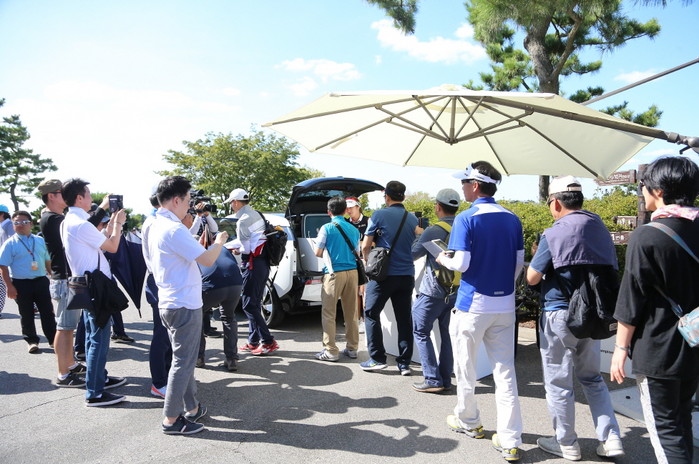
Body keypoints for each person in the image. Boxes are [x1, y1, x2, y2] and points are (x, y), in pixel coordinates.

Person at [526, 176, 624, 461]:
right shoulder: (599, 228)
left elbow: (532, 278)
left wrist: (537, 255)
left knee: (558, 383)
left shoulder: (553, 234)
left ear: (556, 203)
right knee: (592, 378)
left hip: (559, 314)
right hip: (592, 315)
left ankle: (566, 443)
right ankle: (611, 438)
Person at [611, 156, 699, 464]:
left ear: (659, 191)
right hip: (694, 344)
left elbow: (632, 297)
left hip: (659, 349)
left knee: (665, 432)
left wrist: (620, 348)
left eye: (645, 186)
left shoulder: (648, 235)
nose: (643, 192)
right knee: (682, 419)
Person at [436, 161, 524, 462]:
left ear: (475, 185)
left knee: (465, 367)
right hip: (505, 304)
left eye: (464, 183)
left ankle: (469, 421)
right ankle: (511, 439)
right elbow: (518, 264)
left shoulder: (466, 218)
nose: (462, 188)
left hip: (473, 304)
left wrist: (443, 259)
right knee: (505, 372)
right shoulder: (512, 218)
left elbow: (461, 263)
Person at [143, 175, 228, 435]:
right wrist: (220, 242)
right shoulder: (173, 228)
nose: (190, 205)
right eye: (188, 200)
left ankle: (192, 408)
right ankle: (171, 419)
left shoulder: (154, 224)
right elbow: (207, 259)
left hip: (169, 300)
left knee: (185, 359)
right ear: (176, 200)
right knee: (182, 362)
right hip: (183, 303)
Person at [61, 178, 128, 407]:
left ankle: (99, 378)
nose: (92, 199)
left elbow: (97, 240)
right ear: (79, 198)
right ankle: (95, 392)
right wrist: (118, 224)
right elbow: (112, 247)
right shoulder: (80, 224)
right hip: (95, 286)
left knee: (92, 335)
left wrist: (109, 219)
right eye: (88, 194)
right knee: (99, 339)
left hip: (85, 284)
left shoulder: (70, 221)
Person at [39, 179, 109, 386]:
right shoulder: (53, 219)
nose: (66, 196)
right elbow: (85, 229)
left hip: (66, 278)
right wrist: (102, 209)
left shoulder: (57, 218)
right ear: (51, 196)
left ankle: (69, 364)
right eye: (61, 192)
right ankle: (63, 373)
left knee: (69, 327)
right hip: (63, 279)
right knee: (64, 327)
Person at [360, 181, 418, 375]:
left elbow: (366, 245)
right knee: (404, 318)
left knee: (371, 313)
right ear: (403, 196)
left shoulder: (379, 215)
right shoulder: (412, 218)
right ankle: (405, 363)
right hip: (407, 275)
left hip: (383, 276)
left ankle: (377, 359)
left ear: (387, 196)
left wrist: (368, 261)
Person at [410, 188, 460, 393]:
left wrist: (418, 236)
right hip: (455, 290)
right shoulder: (462, 226)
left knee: (420, 331)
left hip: (433, 291)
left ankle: (432, 379)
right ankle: (446, 379)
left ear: (438, 207)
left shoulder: (433, 231)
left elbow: (413, 254)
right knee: (446, 333)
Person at [226, 188, 279, 356]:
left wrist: (230, 248)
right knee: (254, 304)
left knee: (249, 304)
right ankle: (253, 341)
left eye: (231, 203)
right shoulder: (257, 214)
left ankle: (268, 341)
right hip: (263, 264)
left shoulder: (242, 221)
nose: (231, 206)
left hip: (252, 265)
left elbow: (246, 248)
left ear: (236, 202)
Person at [0, 210, 56, 353]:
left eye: (24, 222)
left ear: (31, 224)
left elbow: (47, 260)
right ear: (13, 225)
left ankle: (53, 340)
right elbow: (3, 267)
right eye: (16, 223)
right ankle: (31, 341)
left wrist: (53, 277)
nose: (20, 225)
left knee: (47, 312)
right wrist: (9, 286)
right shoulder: (9, 244)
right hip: (20, 283)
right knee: (26, 314)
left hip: (41, 281)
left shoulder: (40, 240)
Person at [313, 196, 360, 362]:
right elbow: (357, 252)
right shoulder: (354, 229)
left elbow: (318, 252)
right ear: (345, 211)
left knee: (329, 313)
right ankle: (352, 348)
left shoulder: (326, 228)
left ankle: (331, 350)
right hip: (352, 272)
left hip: (333, 273)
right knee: (351, 312)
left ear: (329, 212)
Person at [142, 193, 172, 399]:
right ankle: (159, 382)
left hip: (162, 281)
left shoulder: (156, 221)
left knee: (167, 335)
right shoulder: (154, 223)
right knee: (161, 335)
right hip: (159, 281)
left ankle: (167, 378)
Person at [197, 247, 243, 372]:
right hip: (235, 284)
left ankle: (199, 357)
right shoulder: (222, 248)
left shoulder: (197, 250)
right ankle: (232, 359)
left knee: (197, 317)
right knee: (229, 318)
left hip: (211, 286)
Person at [346, 196, 368, 333]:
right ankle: (356, 319)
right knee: (353, 292)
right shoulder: (344, 223)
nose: (349, 210)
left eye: (351, 207)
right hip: (350, 260)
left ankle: (365, 320)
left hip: (365, 260)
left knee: (364, 291)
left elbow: (375, 240)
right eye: (347, 208)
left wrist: (361, 244)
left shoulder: (368, 221)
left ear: (358, 207)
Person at [0, 204, 14, 318]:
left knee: (4, 286)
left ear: (2, 214)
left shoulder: (9, 225)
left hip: (9, 262)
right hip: (5, 261)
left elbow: (12, 242)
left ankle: (34, 306)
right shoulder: (3, 225)